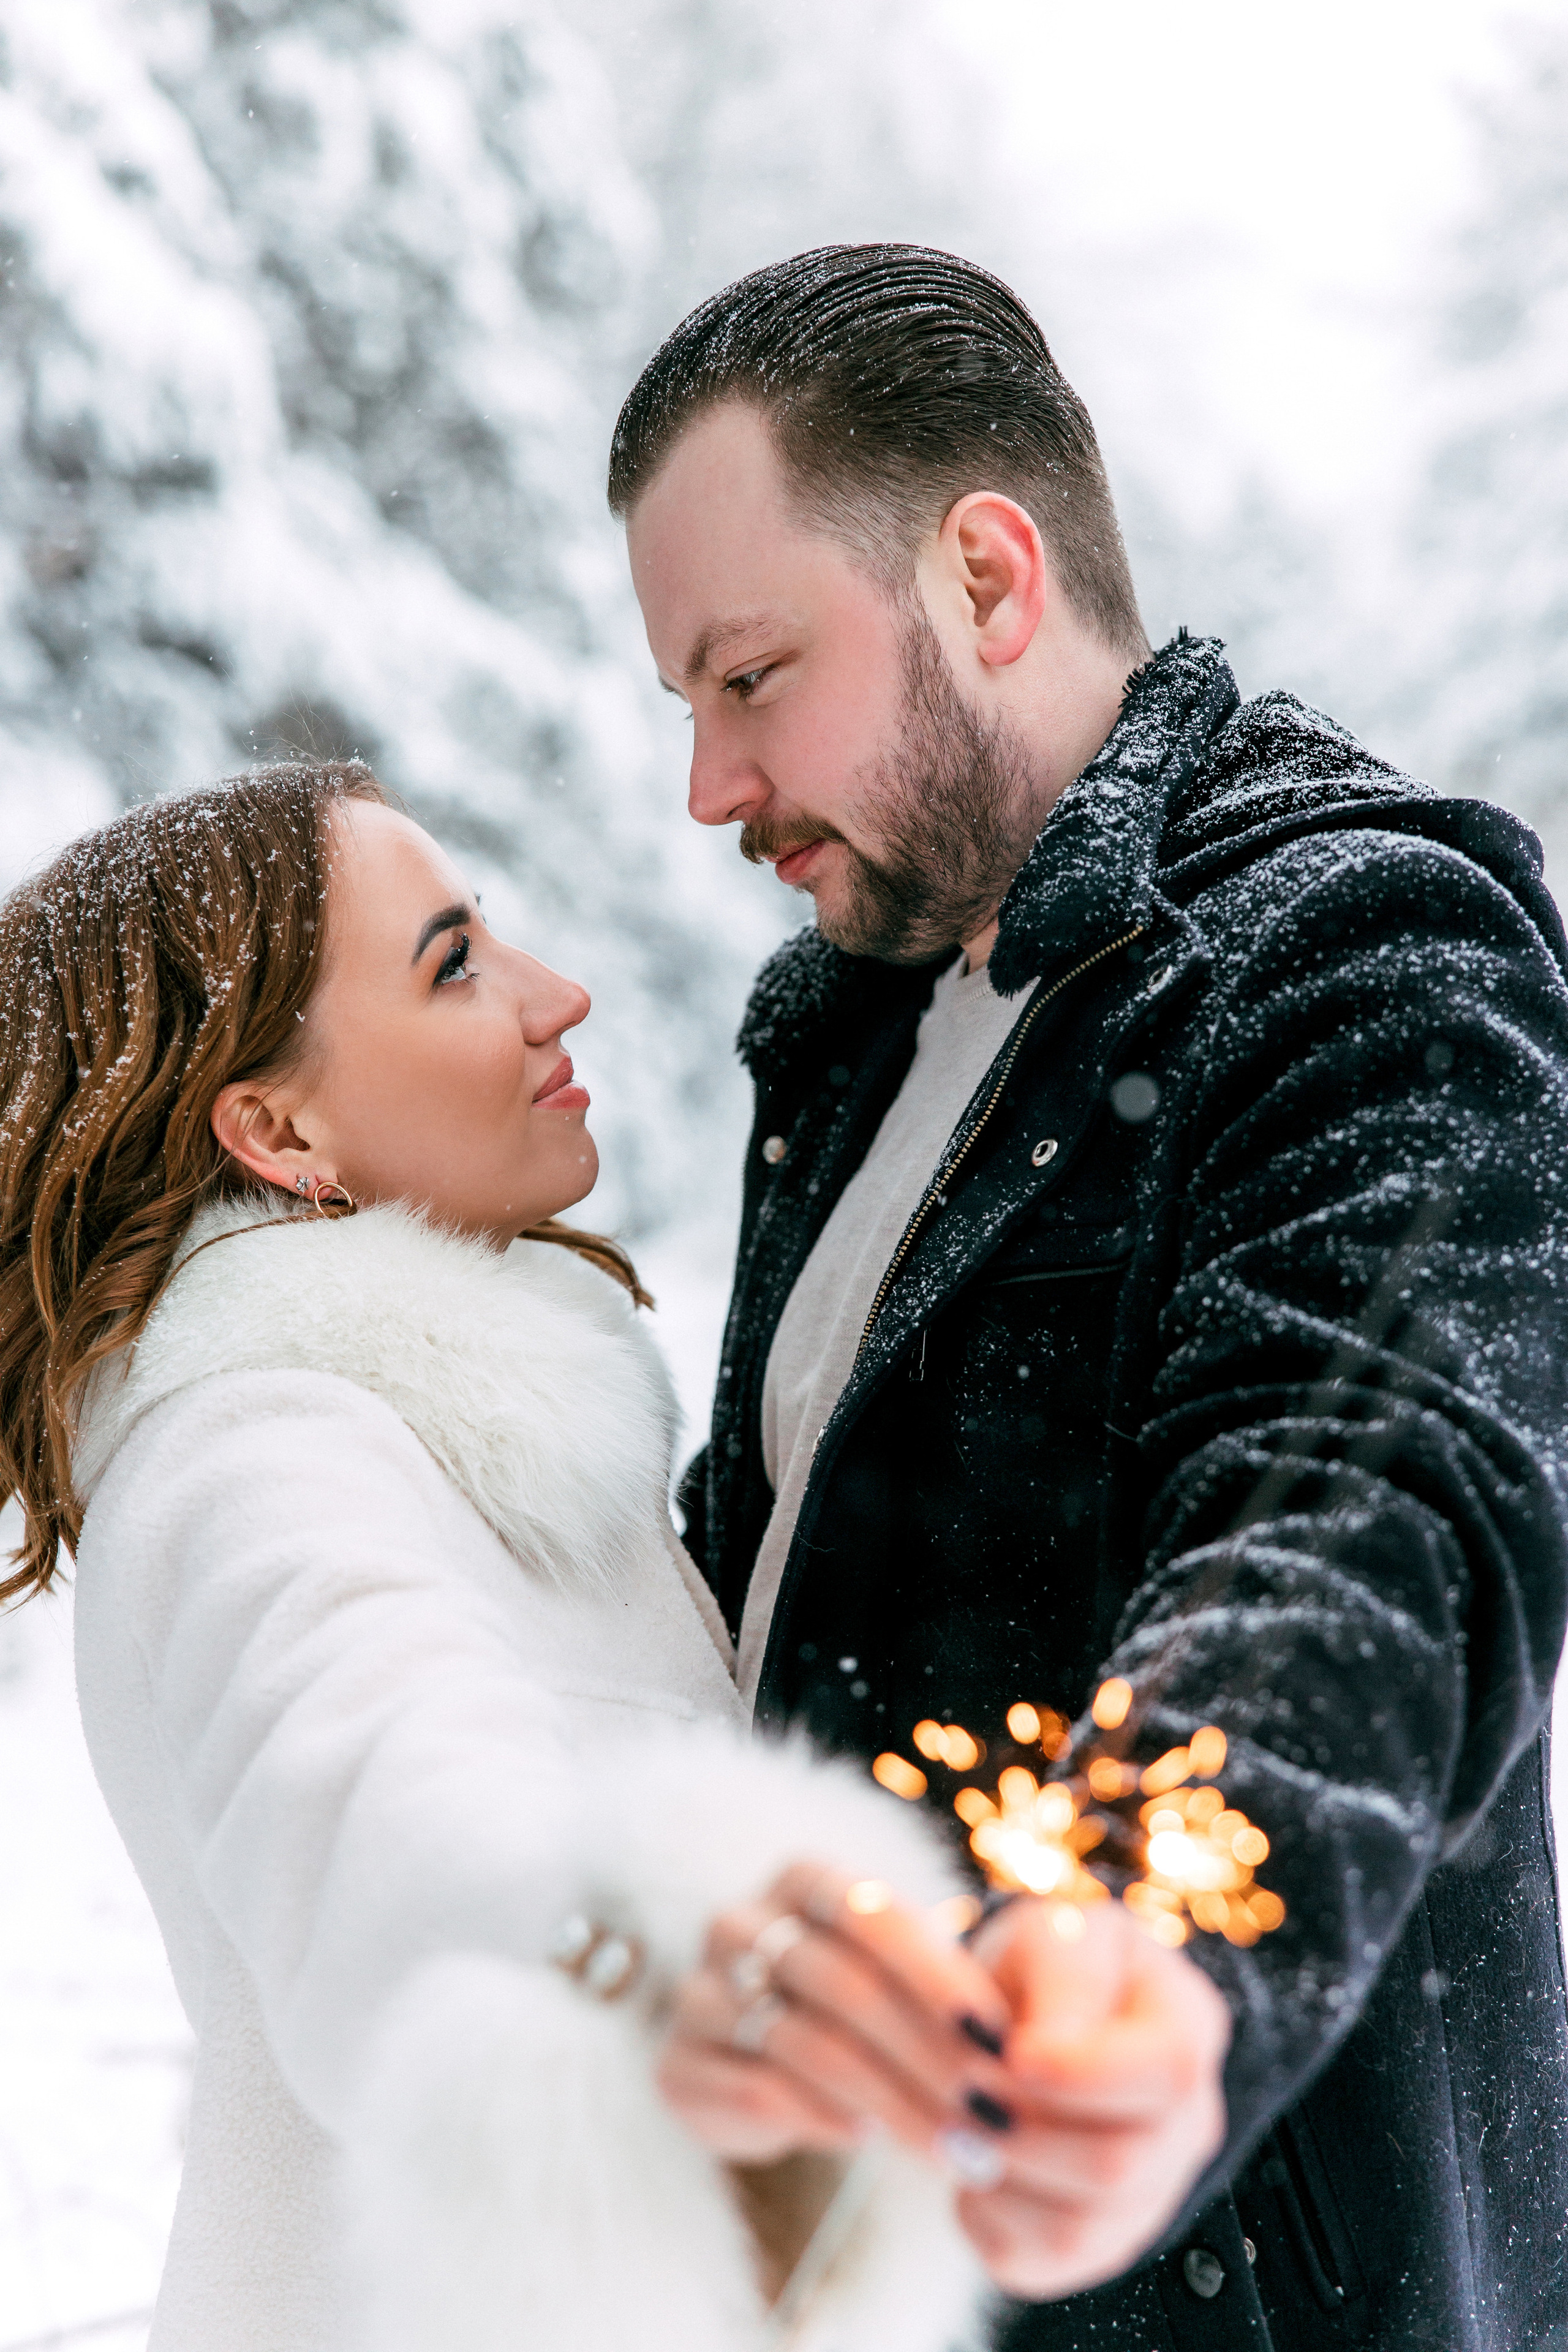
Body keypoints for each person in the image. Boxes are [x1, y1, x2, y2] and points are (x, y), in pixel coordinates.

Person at [613, 244, 1568, 2349]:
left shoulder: (1362, 947)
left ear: (984, 573)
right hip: (866, 2269)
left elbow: (1363, 1529)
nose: (707, 785)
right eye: (680, 701)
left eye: (750, 676)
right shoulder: (846, 1037)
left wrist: (1150, 1933)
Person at [0, 764, 1031, 2352]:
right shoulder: (261, 1457)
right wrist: (695, 1981)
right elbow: (399, 1833)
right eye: (455, 965)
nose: (560, 996)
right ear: (276, 1130)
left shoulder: (430, 1448)